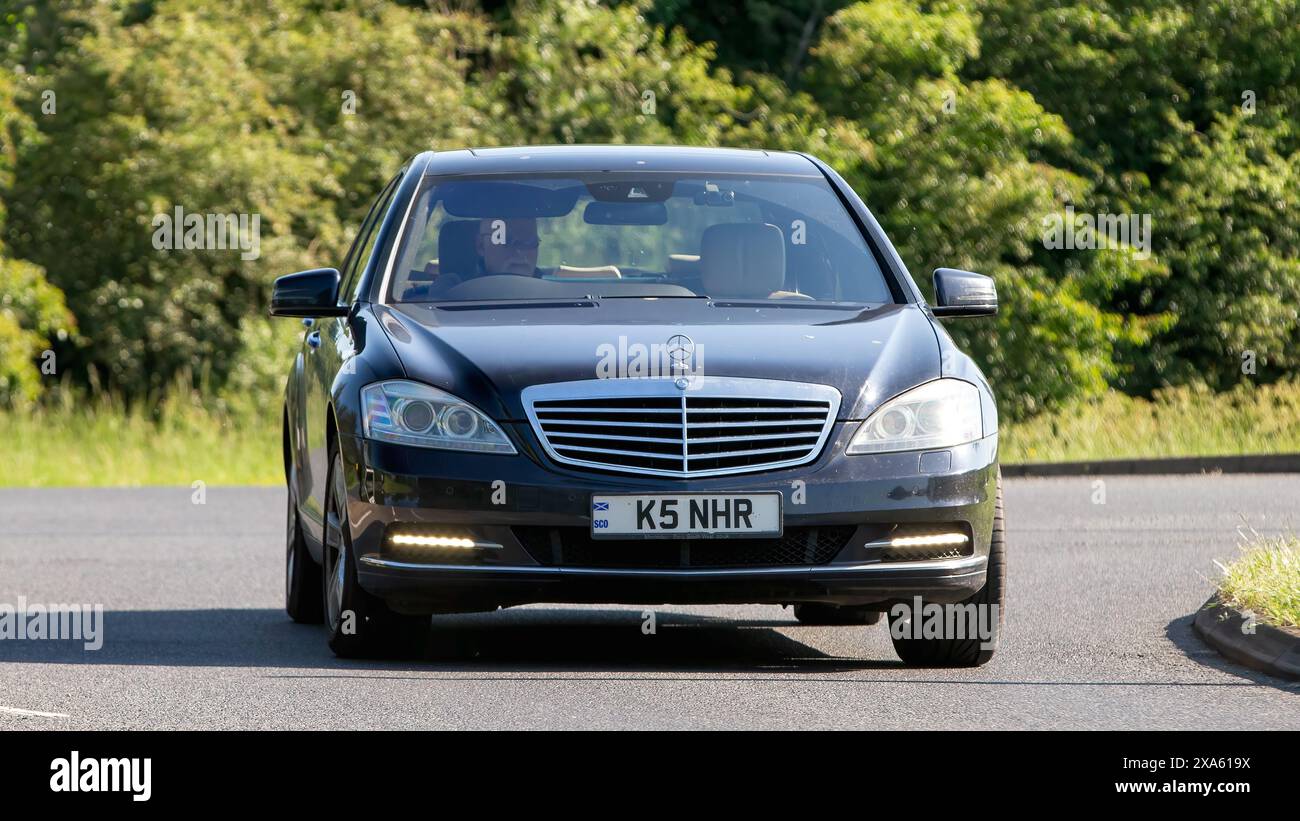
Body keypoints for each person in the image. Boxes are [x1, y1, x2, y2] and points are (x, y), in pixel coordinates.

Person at [475, 217, 540, 277]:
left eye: (529, 241)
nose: (519, 251)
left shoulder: (549, 289)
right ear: (481, 245)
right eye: (504, 239)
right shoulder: (467, 289)